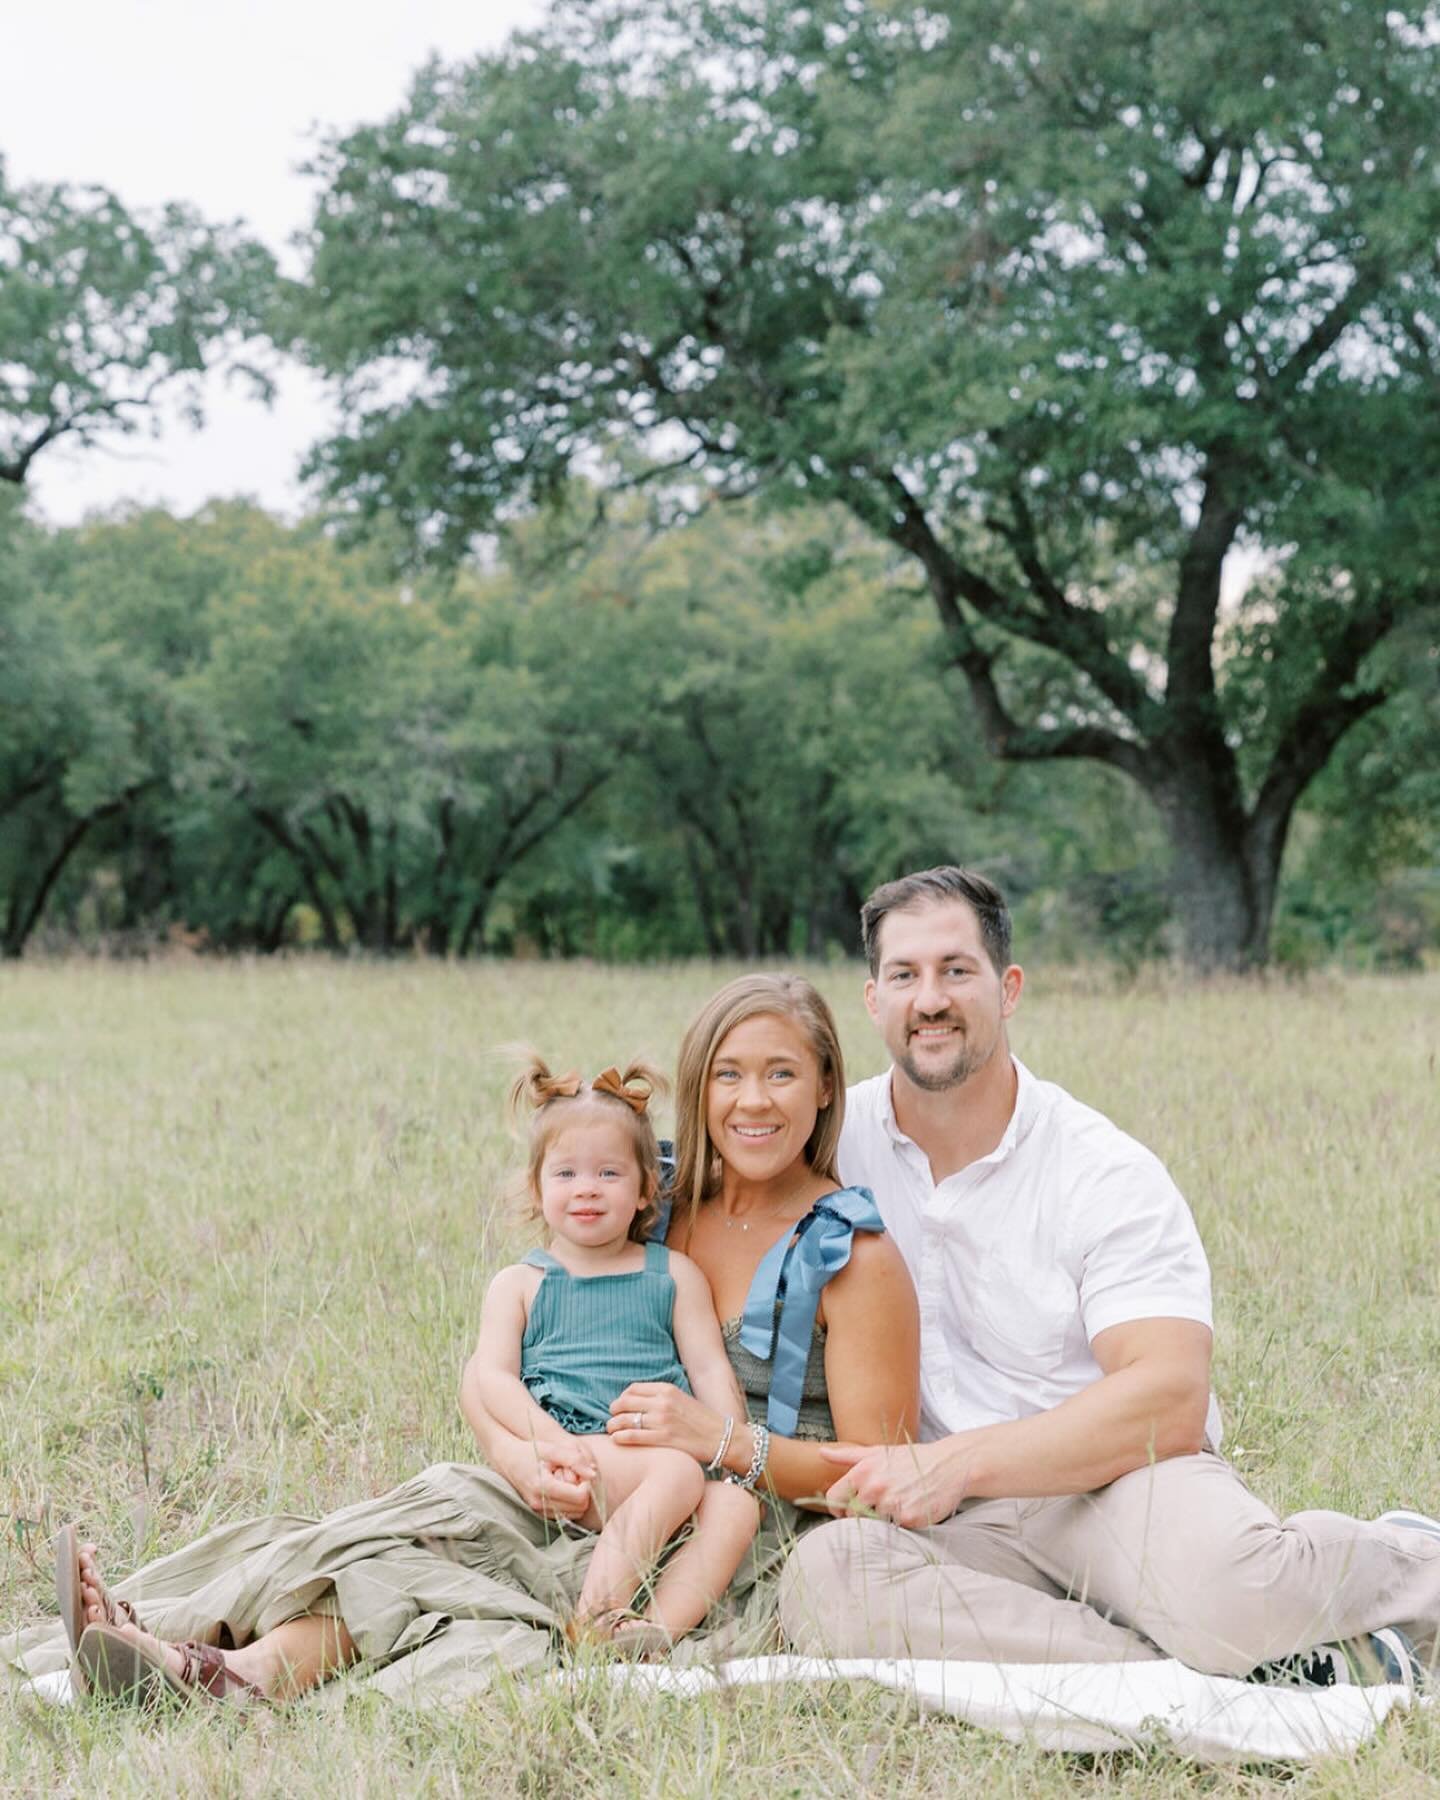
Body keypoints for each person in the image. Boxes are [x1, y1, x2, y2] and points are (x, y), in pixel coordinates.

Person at [25, 974, 918, 1707]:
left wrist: (719, 1441)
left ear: (829, 1085)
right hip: (575, 1467)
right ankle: (181, 1645)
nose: (751, 1100)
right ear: (697, 1088)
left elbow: (877, 1479)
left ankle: (219, 1665)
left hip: (717, 1524)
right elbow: (497, 1364)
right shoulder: (661, 1202)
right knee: (424, 1522)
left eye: (782, 1075)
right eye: (728, 1075)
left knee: (466, 1584)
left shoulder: (853, 1254)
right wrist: (518, 1450)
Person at [776, 865, 1440, 1685]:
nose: (931, 999)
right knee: (825, 1582)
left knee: (1231, 1597)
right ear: (873, 1000)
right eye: (904, 976)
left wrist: (961, 1460)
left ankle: (1407, 1561)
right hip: (946, 1520)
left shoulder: (1102, 1170)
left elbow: (1169, 1397)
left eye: (957, 970)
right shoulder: (836, 1143)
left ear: (1008, 987)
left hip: (1115, 1480)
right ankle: (1192, 1672)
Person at [469, 1056, 758, 1654]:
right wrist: (549, 1443)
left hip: (659, 1462)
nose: (587, 1190)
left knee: (735, 1507)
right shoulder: (521, 1283)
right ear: (536, 1187)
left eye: (608, 1173)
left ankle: (652, 1635)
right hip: (577, 1452)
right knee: (675, 1472)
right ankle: (598, 1613)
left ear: (646, 1188)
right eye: (566, 1174)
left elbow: (708, 1366)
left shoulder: (674, 1274)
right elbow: (493, 1378)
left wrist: (730, 1438)